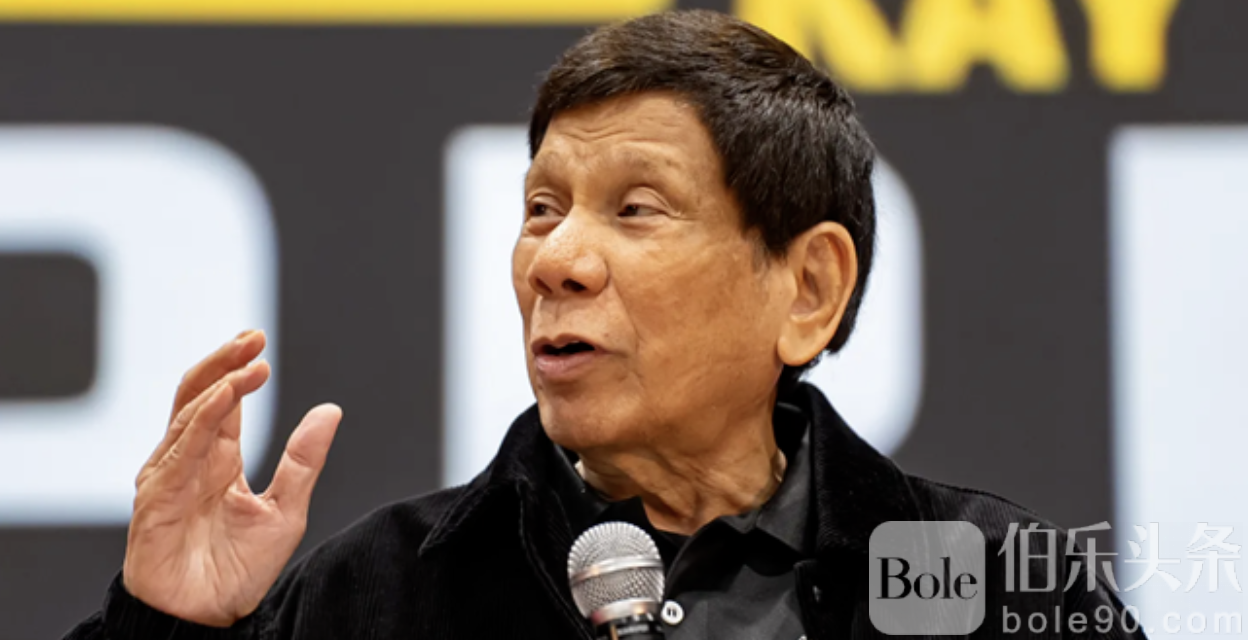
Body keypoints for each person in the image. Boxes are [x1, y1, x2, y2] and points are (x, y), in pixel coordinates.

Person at [64, 10, 1142, 639]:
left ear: (808, 288)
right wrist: (165, 629)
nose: (557, 261)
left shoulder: (991, 582)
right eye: (543, 208)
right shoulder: (377, 595)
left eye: (636, 209)